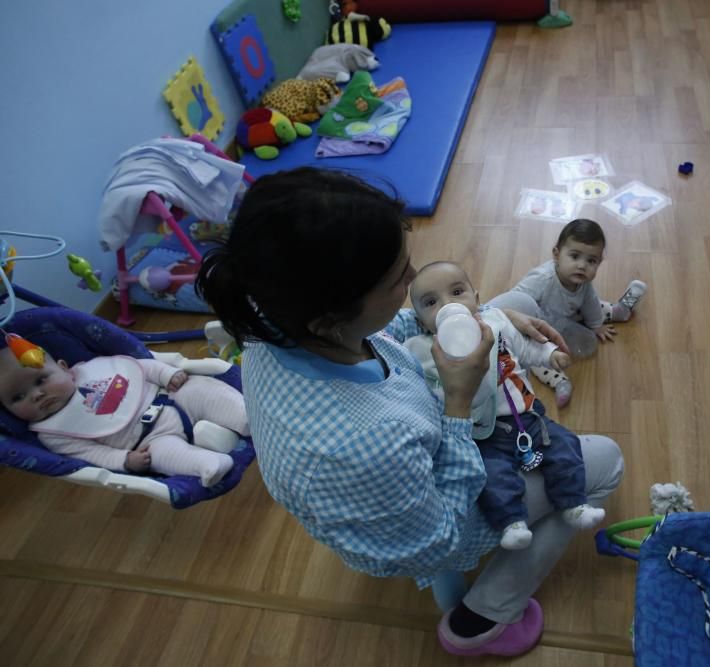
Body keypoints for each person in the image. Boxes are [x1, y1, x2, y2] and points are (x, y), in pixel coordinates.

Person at [194, 168, 623, 658]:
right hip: (434, 524)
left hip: (396, 483)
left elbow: (387, 327)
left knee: (516, 308)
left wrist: (487, 318)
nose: (413, 281)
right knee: (603, 461)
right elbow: (437, 539)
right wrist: (459, 404)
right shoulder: (360, 440)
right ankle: (484, 614)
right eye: (401, 280)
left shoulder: (271, 317)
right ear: (333, 318)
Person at [404, 261, 606, 551]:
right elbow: (420, 386)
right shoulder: (421, 349)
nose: (448, 305)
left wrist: (549, 356)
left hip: (527, 417)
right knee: (491, 475)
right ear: (421, 320)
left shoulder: (496, 321)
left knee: (565, 445)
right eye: (431, 302)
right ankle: (511, 522)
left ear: (476, 298)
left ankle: (573, 503)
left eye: (457, 292)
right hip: (483, 433)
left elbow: (524, 347)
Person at [0, 345, 244, 486]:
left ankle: (246, 419)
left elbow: (140, 367)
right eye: (17, 397)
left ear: (64, 368)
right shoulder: (52, 434)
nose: (36, 395)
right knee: (167, 457)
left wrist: (166, 374)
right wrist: (125, 460)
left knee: (202, 389)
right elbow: (92, 454)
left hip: (169, 396)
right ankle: (209, 464)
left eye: (41, 380)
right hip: (150, 442)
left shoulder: (92, 369)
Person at [506, 218, 647, 407]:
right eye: (574, 256)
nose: (582, 266)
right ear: (557, 254)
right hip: (537, 327)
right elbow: (515, 301)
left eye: (591, 261)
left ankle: (619, 311)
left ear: (599, 262)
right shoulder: (541, 280)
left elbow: (589, 302)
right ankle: (560, 382)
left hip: (568, 314)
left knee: (595, 306)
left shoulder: (583, 281)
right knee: (537, 357)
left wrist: (596, 326)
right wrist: (524, 329)